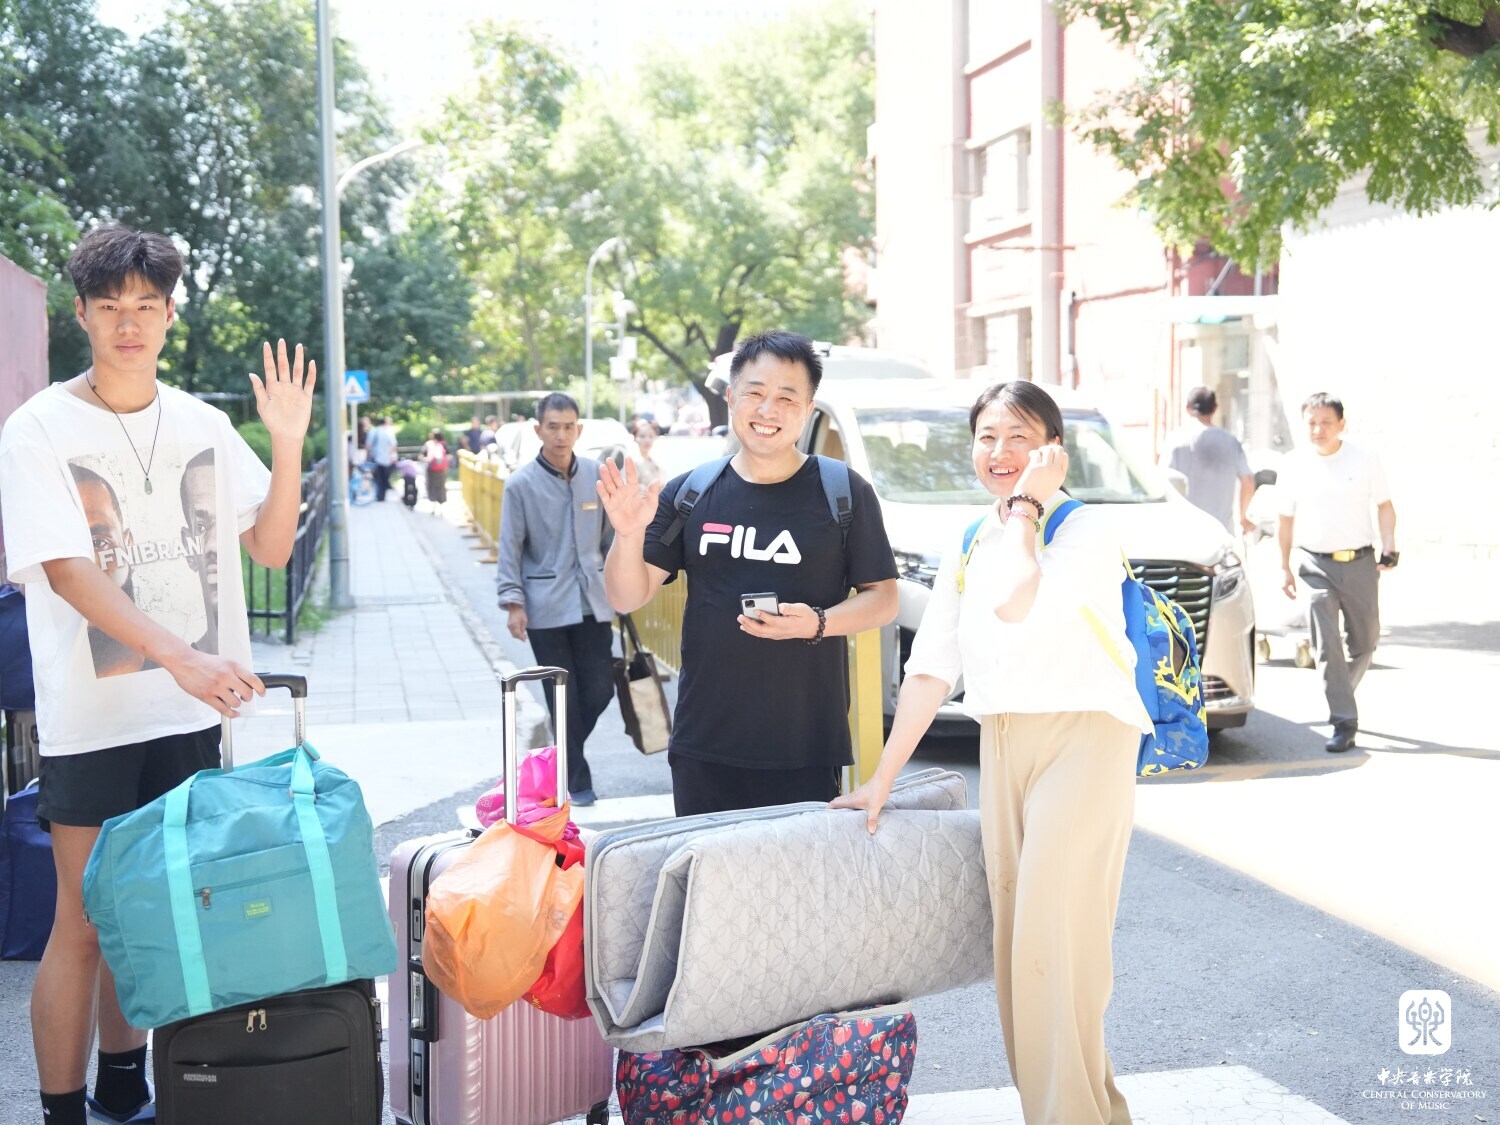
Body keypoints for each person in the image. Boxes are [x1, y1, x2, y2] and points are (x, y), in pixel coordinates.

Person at [0, 223, 313, 1125]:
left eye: (146, 305)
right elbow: (69, 570)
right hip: (95, 718)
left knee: (161, 910)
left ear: (171, 314)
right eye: (111, 307)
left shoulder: (204, 423)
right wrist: (180, 656)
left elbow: (271, 546)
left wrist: (287, 441)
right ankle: (61, 1110)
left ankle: (124, 1081)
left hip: (189, 714)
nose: (129, 324)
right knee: (85, 920)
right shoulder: (38, 428)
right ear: (82, 314)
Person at [831, 380, 1150, 1125]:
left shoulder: (1082, 530)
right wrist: (882, 779)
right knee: (1019, 954)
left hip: (1085, 740)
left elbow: (1015, 597)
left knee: (1054, 944)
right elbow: (932, 667)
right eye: (987, 437)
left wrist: (1028, 507)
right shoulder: (974, 537)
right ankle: (1092, 1112)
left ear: (1052, 450)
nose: (1000, 452)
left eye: (1020, 437)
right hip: (1004, 742)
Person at [598, 329, 898, 817]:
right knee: (705, 869)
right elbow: (626, 596)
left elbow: (884, 599)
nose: (768, 410)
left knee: (798, 869)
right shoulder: (690, 492)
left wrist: (817, 622)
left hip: (805, 745)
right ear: (731, 398)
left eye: (787, 398)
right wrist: (628, 535)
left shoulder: (843, 492)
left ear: (807, 409)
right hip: (704, 744)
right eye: (755, 393)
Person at [495, 393, 615, 807]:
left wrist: (618, 582)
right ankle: (575, 779)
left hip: (593, 600)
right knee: (561, 693)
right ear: (538, 430)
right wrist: (513, 604)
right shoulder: (520, 485)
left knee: (600, 689)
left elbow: (610, 539)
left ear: (579, 429)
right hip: (544, 605)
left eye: (568, 427)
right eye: (553, 427)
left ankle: (562, 744)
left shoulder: (597, 476)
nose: (561, 435)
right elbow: (510, 547)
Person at [1277, 392, 1397, 753]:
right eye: (1311, 423)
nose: (1318, 430)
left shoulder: (1365, 458)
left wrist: (1389, 544)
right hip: (1314, 565)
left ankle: (1342, 694)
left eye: (1326, 423)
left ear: (1341, 424)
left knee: (1365, 644)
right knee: (1327, 646)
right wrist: (1283, 566)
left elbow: (1385, 506)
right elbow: (1285, 520)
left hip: (1360, 563)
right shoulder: (1294, 464)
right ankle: (1344, 721)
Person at [1158, 385, 1255, 534]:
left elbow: (1163, 482)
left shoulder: (1175, 440)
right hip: (1222, 532)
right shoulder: (1231, 442)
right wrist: (1243, 517)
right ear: (1215, 408)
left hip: (1183, 530)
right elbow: (1247, 481)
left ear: (1187, 408)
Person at [365, 415, 398, 501]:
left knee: (378, 478)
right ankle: (383, 494)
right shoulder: (389, 432)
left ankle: (380, 495)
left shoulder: (373, 431)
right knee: (384, 477)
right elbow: (394, 446)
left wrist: (368, 456)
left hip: (376, 458)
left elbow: (368, 446)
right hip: (387, 459)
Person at [631, 417, 664, 489]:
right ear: (635, 438)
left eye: (651, 436)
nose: (647, 440)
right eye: (642, 436)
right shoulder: (632, 462)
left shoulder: (657, 461)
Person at [422, 428, 450, 511]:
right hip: (442, 469)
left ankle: (433, 504)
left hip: (431, 469)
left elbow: (422, 456)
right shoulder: (443, 444)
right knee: (441, 486)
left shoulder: (428, 444)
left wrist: (428, 460)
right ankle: (441, 504)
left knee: (432, 486)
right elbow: (449, 456)